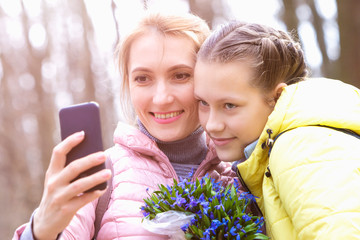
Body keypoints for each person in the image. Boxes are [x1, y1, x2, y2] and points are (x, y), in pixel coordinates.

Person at [13, 12, 237, 240]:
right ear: (127, 84)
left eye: (180, 75)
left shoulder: (239, 175)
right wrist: (40, 229)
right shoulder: (100, 175)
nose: (161, 98)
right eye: (143, 78)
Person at [193, 20, 360, 239]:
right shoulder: (294, 139)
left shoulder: (303, 148)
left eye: (230, 105)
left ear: (277, 97)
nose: (212, 124)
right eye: (203, 103)